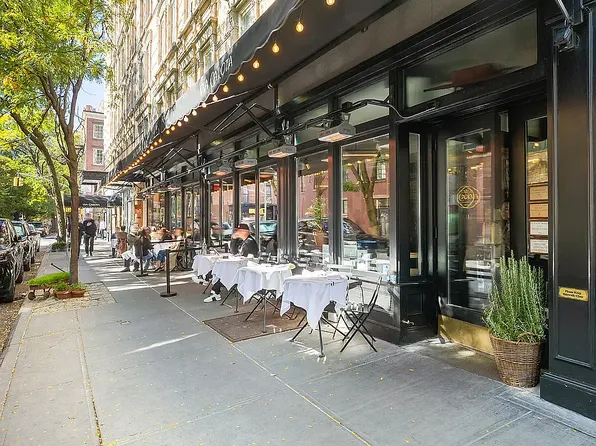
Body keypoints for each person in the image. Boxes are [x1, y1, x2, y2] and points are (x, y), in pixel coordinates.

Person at [197, 223, 259, 303]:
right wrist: (233, 239)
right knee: (222, 270)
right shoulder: (243, 241)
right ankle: (212, 286)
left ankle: (209, 282)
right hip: (240, 266)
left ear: (245, 232)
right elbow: (234, 252)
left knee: (225, 272)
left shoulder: (249, 242)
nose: (237, 233)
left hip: (245, 269)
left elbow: (243, 257)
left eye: (239, 231)